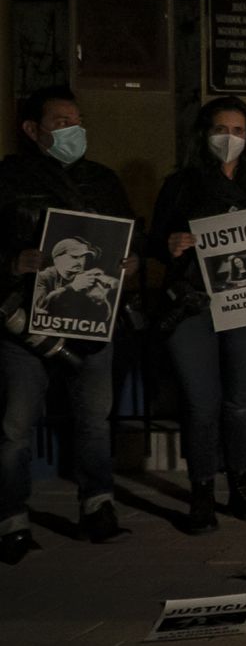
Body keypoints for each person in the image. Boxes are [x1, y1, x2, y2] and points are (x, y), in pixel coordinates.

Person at [0, 86, 137, 561]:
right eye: (60, 122)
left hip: (93, 319)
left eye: (76, 121)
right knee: (16, 424)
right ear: (32, 129)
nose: (72, 130)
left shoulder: (103, 180)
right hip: (25, 319)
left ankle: (97, 507)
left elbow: (127, 240)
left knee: (93, 419)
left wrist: (128, 265)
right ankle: (11, 520)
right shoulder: (8, 179)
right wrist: (12, 262)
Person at [152, 96, 246, 534]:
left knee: (239, 402)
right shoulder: (179, 186)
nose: (228, 138)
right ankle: (201, 492)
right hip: (193, 305)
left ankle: (242, 486)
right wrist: (170, 244)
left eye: (238, 131)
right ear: (203, 134)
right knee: (201, 403)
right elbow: (154, 240)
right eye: (220, 130)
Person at [32, 237, 117, 330]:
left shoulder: (86, 277)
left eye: (83, 257)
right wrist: (72, 287)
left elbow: (103, 320)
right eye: (74, 257)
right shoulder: (42, 277)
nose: (80, 262)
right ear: (57, 258)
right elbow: (41, 307)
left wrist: (100, 302)